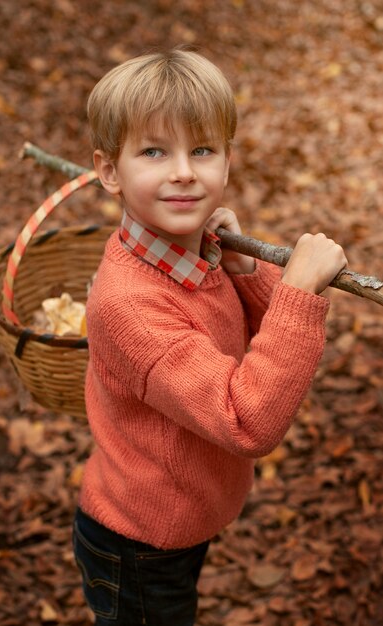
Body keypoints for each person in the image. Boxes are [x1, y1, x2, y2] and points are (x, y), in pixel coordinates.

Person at [73, 47, 347, 626]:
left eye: (202, 150)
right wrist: (297, 292)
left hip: (182, 519)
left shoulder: (189, 251)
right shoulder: (129, 304)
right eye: (153, 151)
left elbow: (263, 341)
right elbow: (246, 417)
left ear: (227, 157)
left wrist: (248, 273)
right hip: (138, 545)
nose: (183, 172)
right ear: (108, 172)